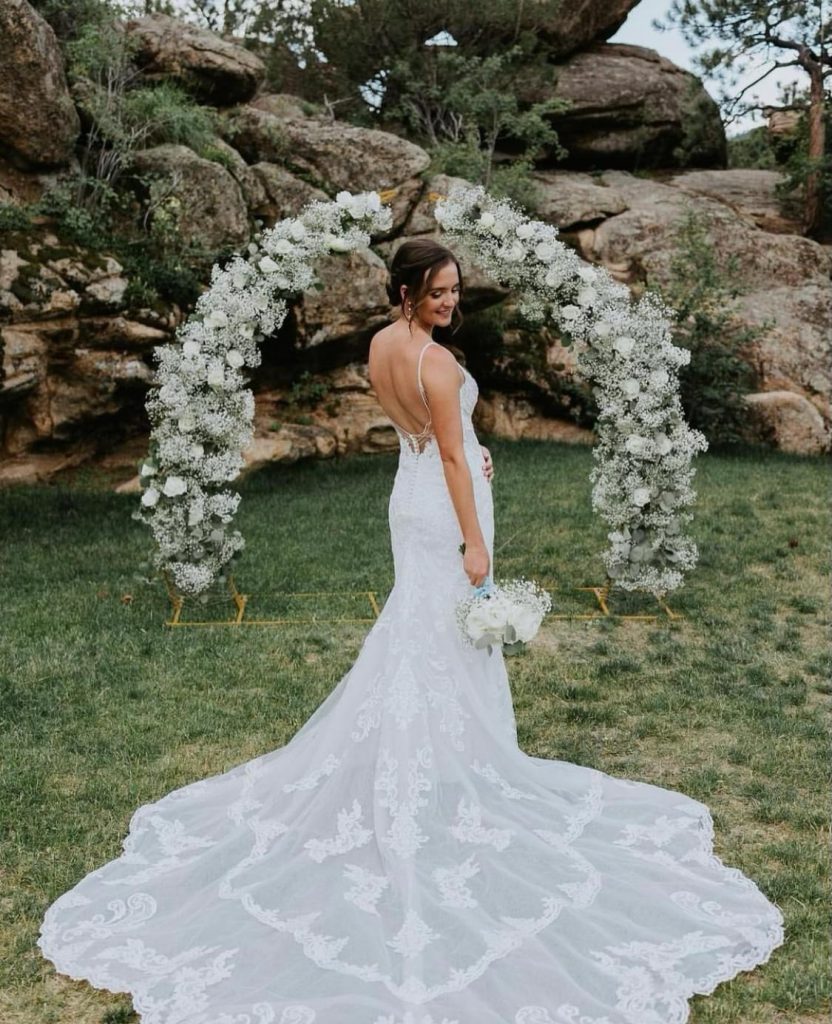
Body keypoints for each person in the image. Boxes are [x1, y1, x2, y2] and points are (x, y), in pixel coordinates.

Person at [37, 238, 784, 1024]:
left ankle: (422, 758)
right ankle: (447, 770)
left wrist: (467, 452)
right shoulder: (432, 361)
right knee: (452, 632)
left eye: (455, 290)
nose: (449, 302)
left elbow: (425, 437)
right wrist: (476, 541)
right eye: (436, 292)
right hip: (442, 510)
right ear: (404, 291)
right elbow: (452, 460)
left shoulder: (381, 347)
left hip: (408, 494)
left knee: (419, 635)